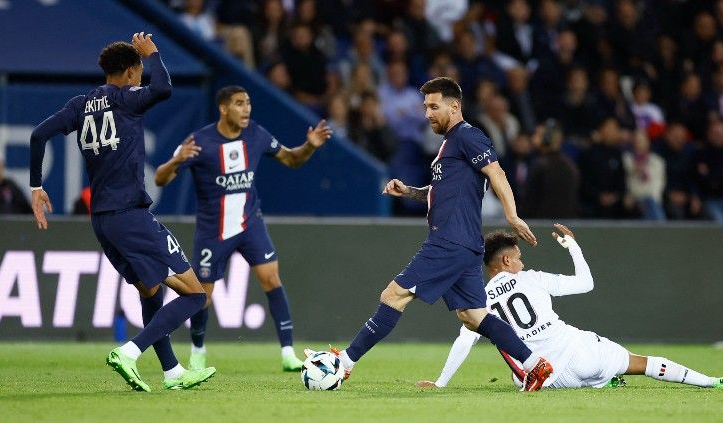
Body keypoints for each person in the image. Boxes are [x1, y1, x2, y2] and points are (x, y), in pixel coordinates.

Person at [306, 77, 554, 392]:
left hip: (449, 241)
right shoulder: (449, 145)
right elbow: (440, 192)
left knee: (392, 295)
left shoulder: (467, 136)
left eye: (434, 106)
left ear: (454, 106)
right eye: (425, 107)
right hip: (463, 244)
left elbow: (496, 172)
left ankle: (344, 363)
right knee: (473, 315)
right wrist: (409, 191)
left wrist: (512, 216)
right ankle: (535, 365)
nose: (427, 113)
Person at [29, 33, 215, 392]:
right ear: (131, 72)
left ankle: (173, 372)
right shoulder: (128, 99)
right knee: (195, 295)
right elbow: (163, 89)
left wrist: (36, 187)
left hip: (101, 220)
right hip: (131, 214)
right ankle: (130, 352)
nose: (142, 76)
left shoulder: (80, 104)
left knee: (150, 292)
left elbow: (39, 135)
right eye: (140, 70)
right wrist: (155, 54)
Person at [415, 224, 723, 390]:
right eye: (519, 257)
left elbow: (465, 339)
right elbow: (586, 283)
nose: (522, 262)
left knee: (529, 370)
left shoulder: (480, 298)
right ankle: (711, 382)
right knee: (641, 363)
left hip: (545, 377)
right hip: (579, 355)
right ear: (508, 260)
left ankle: (601, 381)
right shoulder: (532, 278)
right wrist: (573, 247)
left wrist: (441, 382)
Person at [154, 85, 332, 372]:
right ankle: (198, 349)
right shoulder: (198, 141)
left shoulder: (257, 134)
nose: (246, 108)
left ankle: (288, 352)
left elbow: (290, 158)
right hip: (214, 231)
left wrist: (309, 145)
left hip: (250, 224)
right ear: (224, 108)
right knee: (202, 297)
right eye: (239, 103)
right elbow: (161, 179)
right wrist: (176, 159)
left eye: (248, 103)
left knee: (271, 278)